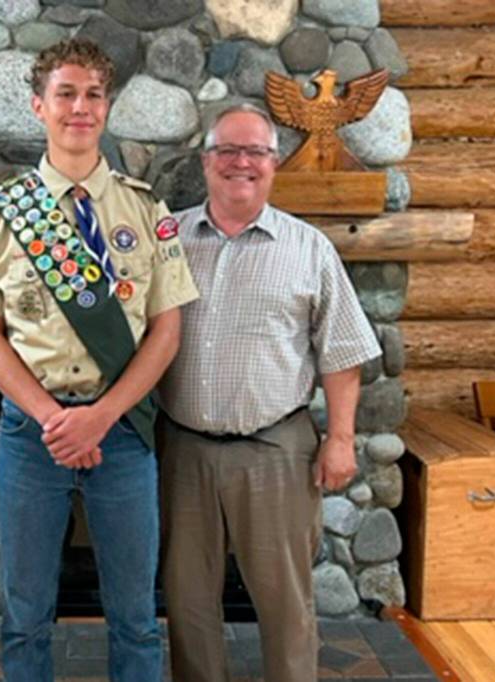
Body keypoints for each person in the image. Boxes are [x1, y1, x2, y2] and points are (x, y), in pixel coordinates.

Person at [0, 38, 199, 682]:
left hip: (123, 434)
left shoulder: (147, 211)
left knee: (137, 616)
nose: (79, 108)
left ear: (107, 109)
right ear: (39, 106)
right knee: (26, 613)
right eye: (66, 93)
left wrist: (102, 417)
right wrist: (57, 420)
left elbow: (166, 331)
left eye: (92, 95)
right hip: (33, 435)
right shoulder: (4, 214)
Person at [158, 104, 383, 682]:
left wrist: (340, 438)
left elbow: (342, 353)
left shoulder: (308, 249)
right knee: (187, 602)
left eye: (254, 151)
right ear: (206, 161)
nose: (241, 162)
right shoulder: (167, 240)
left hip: (277, 450)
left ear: (274, 163)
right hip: (181, 450)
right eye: (227, 150)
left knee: (285, 603)